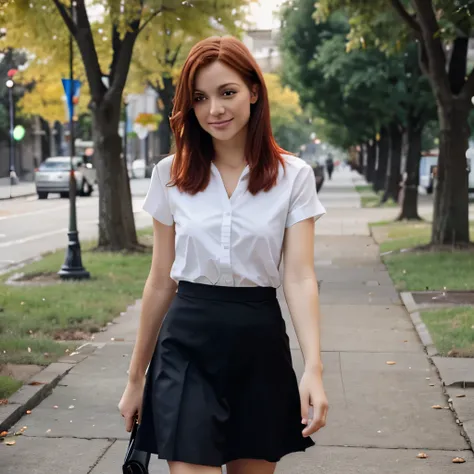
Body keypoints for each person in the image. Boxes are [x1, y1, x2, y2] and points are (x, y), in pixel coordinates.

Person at [118, 36, 328, 474]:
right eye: (200, 98)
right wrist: (135, 379)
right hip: (186, 346)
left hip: (259, 345)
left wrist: (314, 369)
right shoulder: (170, 175)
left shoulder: (294, 177)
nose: (214, 109)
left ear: (254, 91)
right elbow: (160, 280)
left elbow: (299, 277)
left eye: (227, 92)